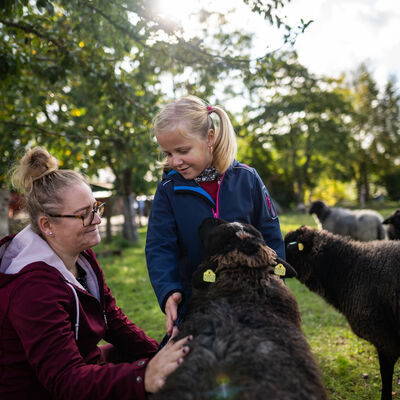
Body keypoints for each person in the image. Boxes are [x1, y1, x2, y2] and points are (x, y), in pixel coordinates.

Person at [0, 147, 191, 400]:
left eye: (95, 208)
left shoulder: (81, 255)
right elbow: (65, 379)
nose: (97, 220)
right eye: (83, 215)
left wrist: (157, 354)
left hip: (82, 371)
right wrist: (144, 376)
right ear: (47, 225)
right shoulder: (33, 289)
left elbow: (111, 318)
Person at [145, 95, 285, 337]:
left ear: (210, 138)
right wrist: (168, 290)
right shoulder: (168, 190)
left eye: (182, 150)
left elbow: (270, 231)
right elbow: (159, 246)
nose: (174, 161)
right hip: (196, 300)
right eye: (167, 153)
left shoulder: (247, 179)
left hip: (251, 296)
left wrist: (274, 279)